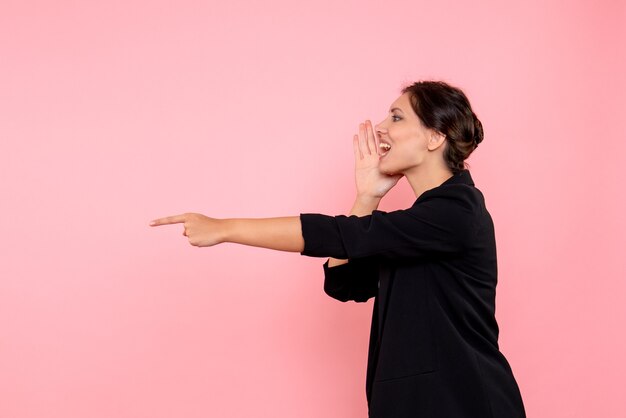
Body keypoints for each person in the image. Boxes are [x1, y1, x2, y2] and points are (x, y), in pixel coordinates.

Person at [149, 80, 526, 417]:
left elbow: (340, 234)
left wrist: (224, 228)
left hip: (465, 401)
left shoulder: (457, 210)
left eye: (396, 117)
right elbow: (347, 284)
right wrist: (366, 197)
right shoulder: (421, 221)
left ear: (433, 137)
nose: (380, 128)